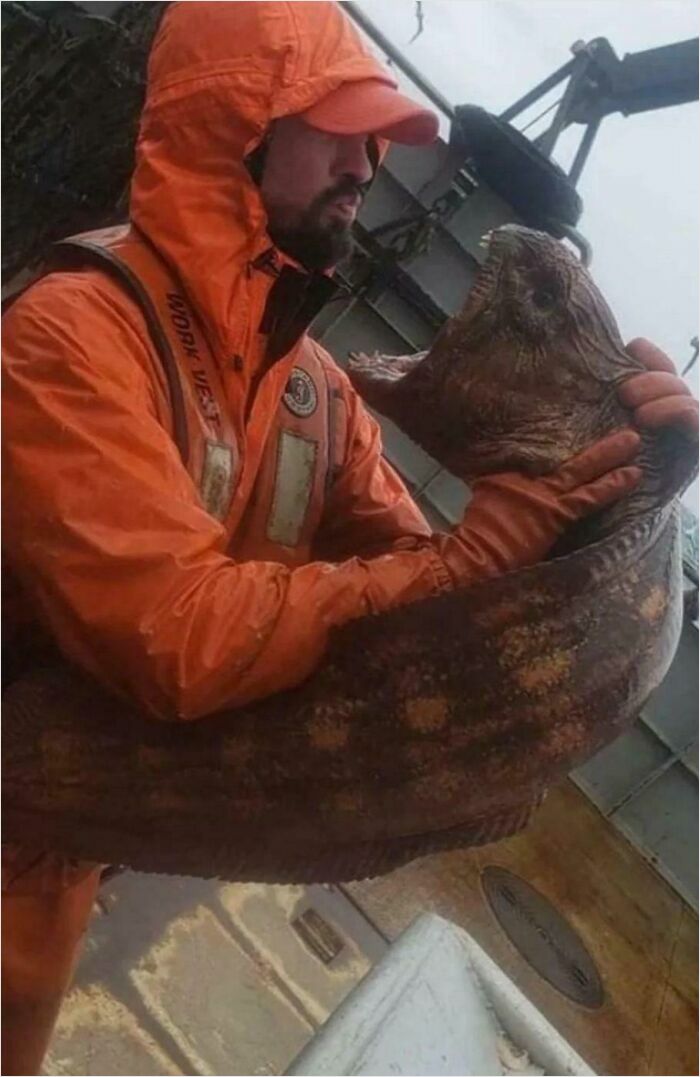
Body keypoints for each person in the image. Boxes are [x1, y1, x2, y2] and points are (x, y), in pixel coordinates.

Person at [2, 3, 697, 1073]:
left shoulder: (312, 397)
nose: (367, 165)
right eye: (337, 129)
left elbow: (436, 608)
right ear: (236, 127)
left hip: (63, 841)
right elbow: (174, 639)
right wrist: (468, 557)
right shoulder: (74, 333)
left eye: (376, 139)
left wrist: (616, 499)